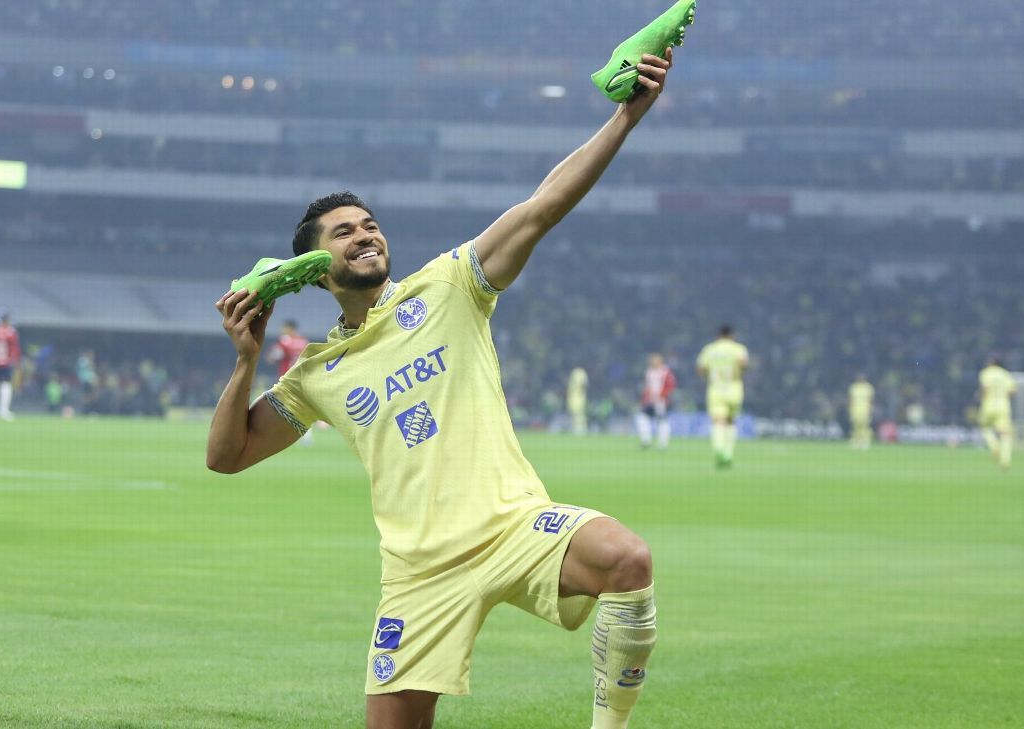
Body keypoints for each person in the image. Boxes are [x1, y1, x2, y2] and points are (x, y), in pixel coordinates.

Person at [208, 48, 676, 729]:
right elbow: (228, 454)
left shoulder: (450, 286)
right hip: (419, 570)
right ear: (314, 268)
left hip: (513, 525)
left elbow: (542, 207)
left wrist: (626, 117)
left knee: (627, 557)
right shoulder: (315, 374)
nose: (364, 235)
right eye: (343, 234)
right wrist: (244, 360)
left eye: (369, 224)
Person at [697, 324, 749, 470]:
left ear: (718, 335)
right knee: (731, 421)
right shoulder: (738, 348)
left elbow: (701, 369)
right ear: (732, 335)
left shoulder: (710, 349)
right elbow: (744, 364)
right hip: (734, 388)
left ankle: (719, 450)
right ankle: (729, 453)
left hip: (715, 389)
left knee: (718, 421)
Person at [266, 319, 314, 445]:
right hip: (302, 379)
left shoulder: (285, 341)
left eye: (284, 328)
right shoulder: (304, 342)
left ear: (290, 329)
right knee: (302, 407)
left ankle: (277, 433)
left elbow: (274, 356)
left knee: (278, 405)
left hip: (286, 380)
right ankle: (307, 436)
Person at [977, 356, 1017, 469]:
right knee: (1006, 434)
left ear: (991, 363)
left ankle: (994, 445)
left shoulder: (986, 373)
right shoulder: (1005, 374)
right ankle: (1005, 461)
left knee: (984, 427)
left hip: (988, 405)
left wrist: (980, 397)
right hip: (1003, 406)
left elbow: (985, 388)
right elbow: (1013, 391)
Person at [635, 353, 675, 450]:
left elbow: (671, 385)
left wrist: (662, 396)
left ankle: (663, 444)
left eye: (655, 360)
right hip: (650, 401)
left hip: (661, 401)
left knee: (662, 421)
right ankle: (646, 440)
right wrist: (645, 399)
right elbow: (647, 387)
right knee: (642, 418)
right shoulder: (649, 371)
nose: (652, 362)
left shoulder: (665, 372)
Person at [848, 373, 874, 450]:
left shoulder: (868, 387)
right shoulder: (853, 387)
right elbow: (851, 400)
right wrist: (850, 409)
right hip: (855, 410)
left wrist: (871, 409)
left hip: (865, 410)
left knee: (865, 427)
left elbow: (871, 400)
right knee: (855, 427)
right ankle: (855, 442)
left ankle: (865, 442)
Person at [567, 366, 589, 435]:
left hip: (578, 396)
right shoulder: (576, 372)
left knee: (579, 413)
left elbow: (584, 384)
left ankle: (580, 428)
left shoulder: (581, 372)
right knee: (575, 413)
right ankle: (576, 427)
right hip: (573, 396)